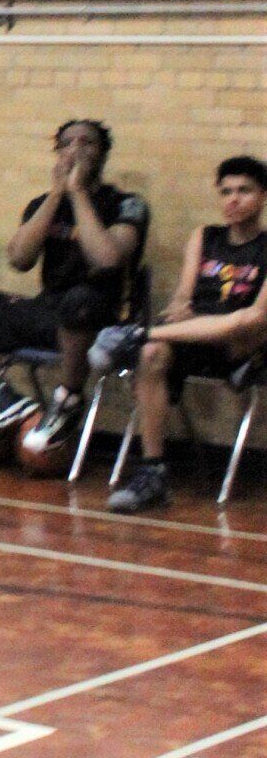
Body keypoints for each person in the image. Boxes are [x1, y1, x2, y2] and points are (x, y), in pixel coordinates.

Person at [0, 119, 147, 462]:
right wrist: (58, 194)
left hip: (102, 319)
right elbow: (19, 259)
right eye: (67, 143)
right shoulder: (43, 203)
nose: (76, 150)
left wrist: (78, 194)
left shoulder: (127, 204)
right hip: (50, 312)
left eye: (87, 143)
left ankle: (68, 401)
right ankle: (1, 395)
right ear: (57, 152)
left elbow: (106, 258)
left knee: (81, 299)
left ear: (103, 153)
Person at [110, 154, 267, 516]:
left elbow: (255, 317)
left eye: (244, 191)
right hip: (199, 334)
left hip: (243, 344)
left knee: (242, 323)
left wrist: (186, 321)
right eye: (226, 191)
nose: (233, 199)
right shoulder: (205, 237)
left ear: (262, 196)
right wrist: (181, 316)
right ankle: (153, 471)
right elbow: (181, 301)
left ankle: (135, 335)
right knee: (152, 354)